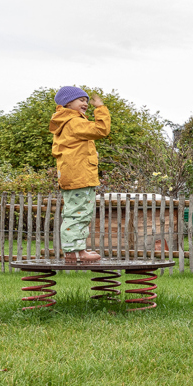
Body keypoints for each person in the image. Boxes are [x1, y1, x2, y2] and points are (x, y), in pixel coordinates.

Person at [49, 86, 111, 262]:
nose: (85, 103)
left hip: (77, 175)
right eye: (81, 100)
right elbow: (101, 130)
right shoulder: (73, 121)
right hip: (79, 177)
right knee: (78, 213)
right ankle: (74, 251)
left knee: (79, 213)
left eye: (86, 100)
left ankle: (76, 249)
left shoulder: (67, 122)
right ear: (68, 103)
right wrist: (100, 108)